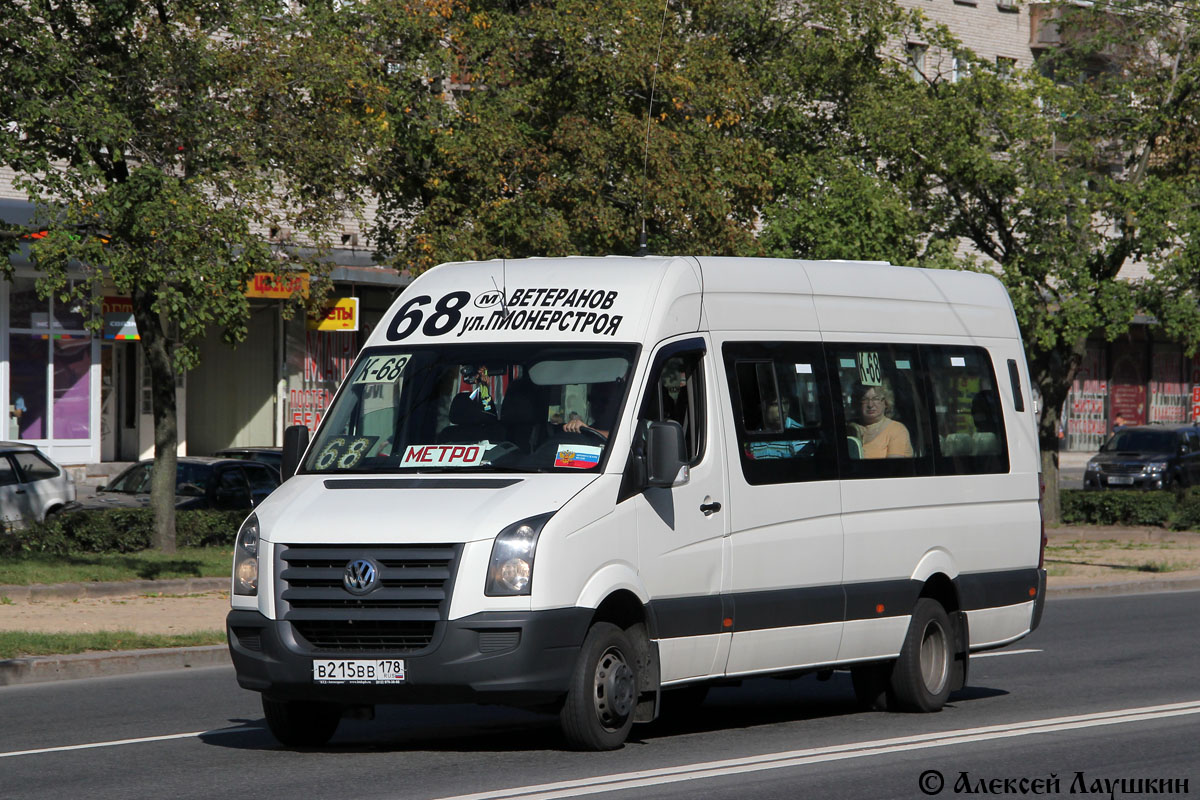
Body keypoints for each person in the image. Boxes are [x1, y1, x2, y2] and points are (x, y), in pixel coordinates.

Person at [850, 381, 913, 458]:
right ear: (857, 403)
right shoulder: (851, 429)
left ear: (886, 402)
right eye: (864, 399)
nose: (870, 405)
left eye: (876, 399)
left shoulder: (897, 430)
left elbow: (894, 467)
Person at [748, 394, 804, 459]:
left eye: (785, 403)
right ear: (763, 407)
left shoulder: (799, 433)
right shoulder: (752, 436)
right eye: (775, 404)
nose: (783, 410)